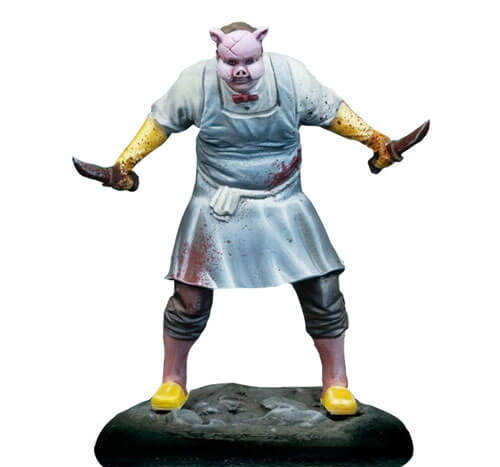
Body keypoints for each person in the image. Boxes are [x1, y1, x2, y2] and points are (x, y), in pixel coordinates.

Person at [74, 22, 395, 416]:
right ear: (217, 54)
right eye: (230, 62)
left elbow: (334, 114)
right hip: (215, 205)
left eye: (249, 61)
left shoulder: (291, 77)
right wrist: (124, 164)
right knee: (189, 299)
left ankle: (337, 382)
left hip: (283, 201)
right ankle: (172, 379)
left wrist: (375, 140)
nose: (240, 70)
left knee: (323, 290)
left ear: (262, 50)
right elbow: (160, 124)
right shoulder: (196, 82)